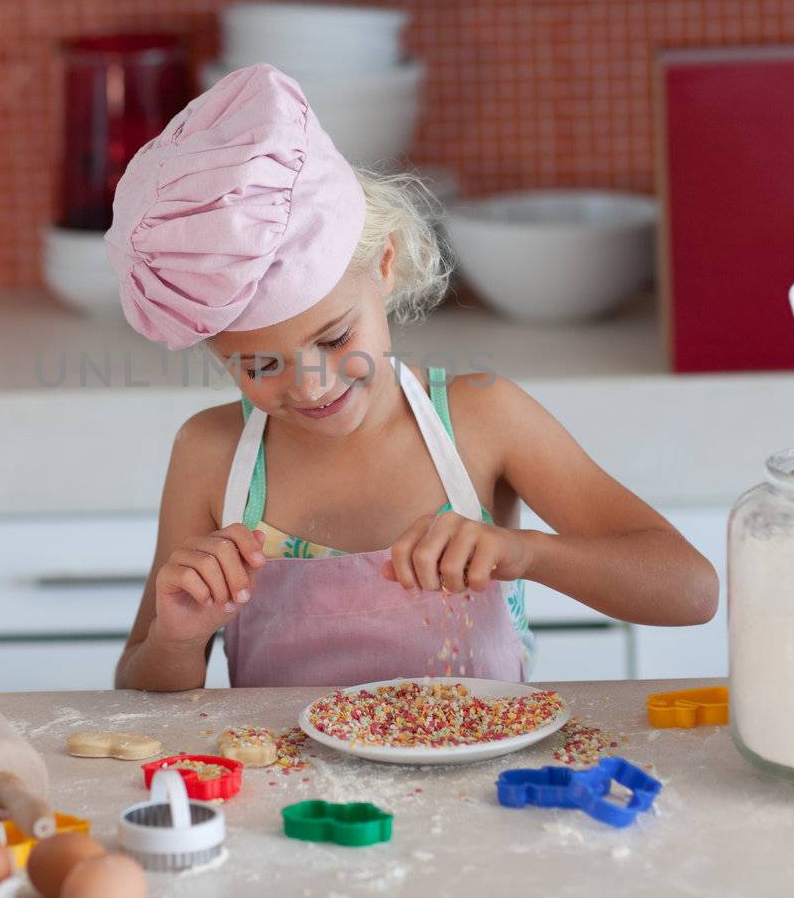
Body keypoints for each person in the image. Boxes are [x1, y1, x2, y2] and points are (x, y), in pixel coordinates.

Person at [112, 64, 717, 691]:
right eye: (260, 365)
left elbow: (690, 589)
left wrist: (527, 554)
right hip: (290, 790)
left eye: (335, 338)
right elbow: (137, 685)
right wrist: (175, 638)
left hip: (482, 784)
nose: (312, 385)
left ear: (386, 263)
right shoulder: (211, 456)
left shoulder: (485, 420)